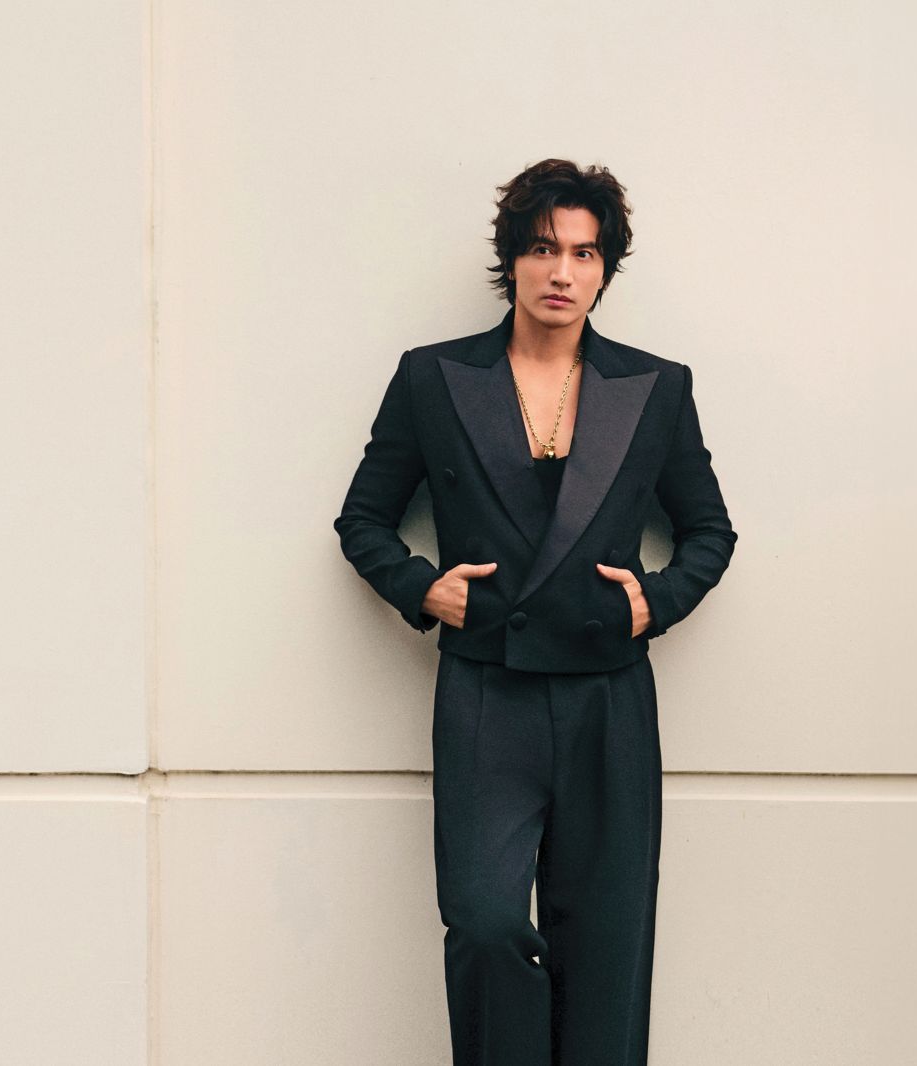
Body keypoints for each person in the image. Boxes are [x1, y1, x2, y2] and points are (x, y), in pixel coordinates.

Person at [333, 158, 737, 1064]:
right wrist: (419, 586)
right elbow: (362, 519)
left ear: (604, 270)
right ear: (512, 258)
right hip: (487, 693)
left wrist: (655, 602)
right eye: (544, 248)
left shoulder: (656, 387)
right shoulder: (435, 378)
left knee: (606, 946)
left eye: (584, 254)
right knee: (483, 921)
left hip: (607, 696)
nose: (562, 272)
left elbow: (710, 531)